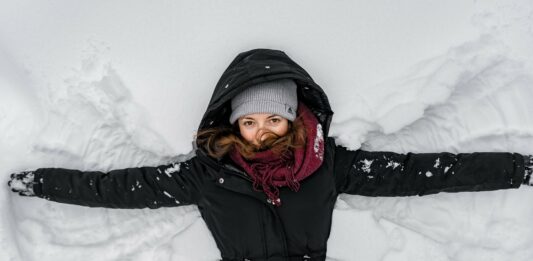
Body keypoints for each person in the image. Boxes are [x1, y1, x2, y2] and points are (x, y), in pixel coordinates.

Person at [8, 48, 533, 261]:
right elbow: (116, 189)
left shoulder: (330, 164)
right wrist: (37, 183)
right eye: (250, 121)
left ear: (293, 116)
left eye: (274, 119)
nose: (261, 133)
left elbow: (423, 173)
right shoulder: (206, 174)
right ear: (232, 121)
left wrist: (517, 169)